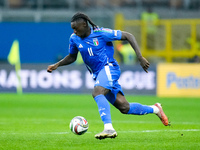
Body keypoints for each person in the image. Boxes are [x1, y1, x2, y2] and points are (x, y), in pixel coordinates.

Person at [47, 12, 169, 140]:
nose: (74, 31)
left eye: (76, 28)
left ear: (84, 24)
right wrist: (57, 65)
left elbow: (128, 35)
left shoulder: (101, 33)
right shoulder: (74, 38)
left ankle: (109, 128)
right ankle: (155, 109)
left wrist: (140, 57)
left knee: (97, 92)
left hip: (109, 68)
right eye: (72, 28)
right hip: (99, 74)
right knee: (124, 107)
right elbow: (72, 57)